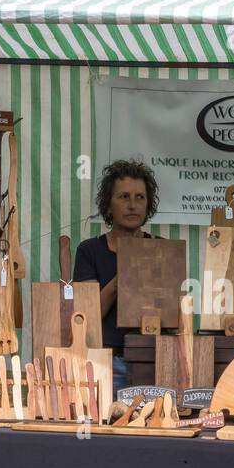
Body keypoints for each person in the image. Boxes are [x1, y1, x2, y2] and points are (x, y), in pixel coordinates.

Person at [73, 159, 159, 394]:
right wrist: (122, 278)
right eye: (124, 197)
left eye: (140, 197)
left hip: (154, 362)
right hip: (105, 363)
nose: (133, 205)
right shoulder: (89, 251)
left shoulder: (162, 249)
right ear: (108, 206)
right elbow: (86, 318)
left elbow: (173, 316)